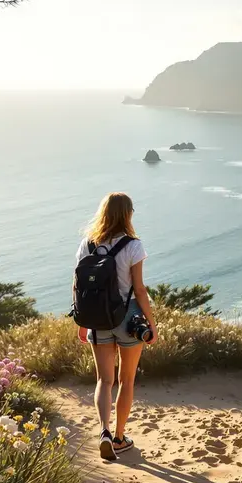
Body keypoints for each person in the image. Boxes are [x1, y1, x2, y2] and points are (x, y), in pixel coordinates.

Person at [75, 192, 158, 460]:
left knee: (103, 379)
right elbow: (140, 289)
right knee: (126, 380)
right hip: (128, 319)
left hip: (96, 319)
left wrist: (81, 321)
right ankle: (120, 437)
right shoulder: (133, 246)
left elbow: (77, 284)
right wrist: (151, 323)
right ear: (128, 214)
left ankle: (104, 432)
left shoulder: (87, 244)